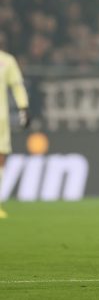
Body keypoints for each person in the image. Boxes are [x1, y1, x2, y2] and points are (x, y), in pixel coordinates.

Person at [0, 50, 30, 218]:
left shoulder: (6, 60)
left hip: (0, 118)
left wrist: (23, 107)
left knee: (0, 157)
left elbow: (17, 85)